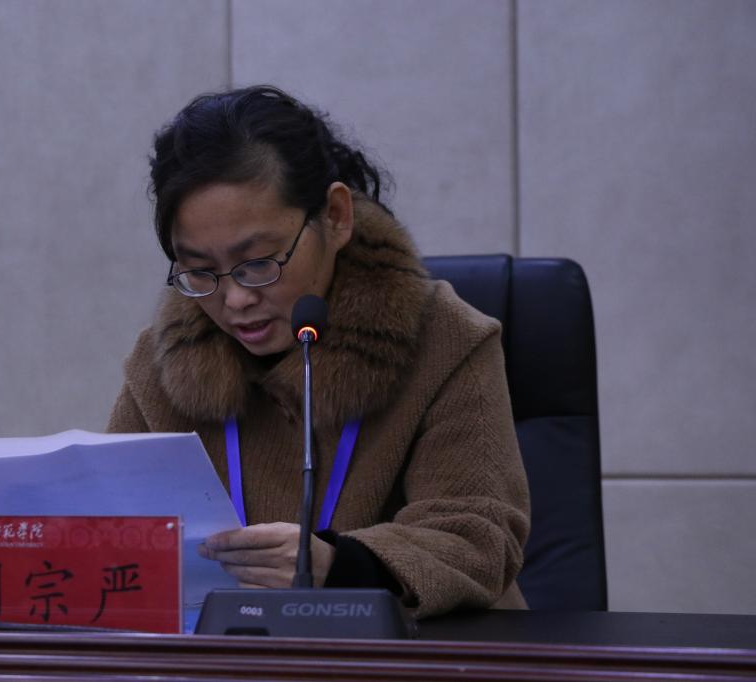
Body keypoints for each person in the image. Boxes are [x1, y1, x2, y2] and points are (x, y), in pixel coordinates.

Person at [107, 85, 530, 617]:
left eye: (258, 263)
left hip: (420, 651)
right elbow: (110, 526)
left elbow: (479, 536)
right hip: (229, 654)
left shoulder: (446, 340)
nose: (235, 299)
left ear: (335, 215)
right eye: (200, 270)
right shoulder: (160, 364)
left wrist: (339, 566)